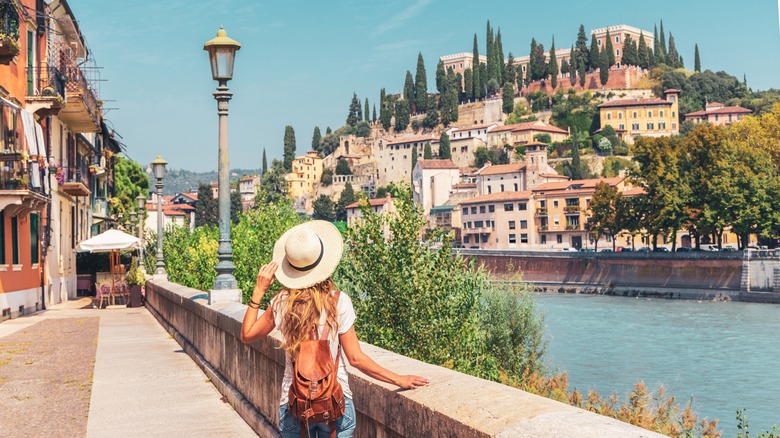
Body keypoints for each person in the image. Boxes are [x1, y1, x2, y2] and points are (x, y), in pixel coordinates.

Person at [241, 221, 428, 437]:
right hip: (335, 404)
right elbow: (356, 358)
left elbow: (247, 335)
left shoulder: (281, 303)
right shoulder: (339, 302)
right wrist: (398, 379)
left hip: (294, 407)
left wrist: (258, 290)